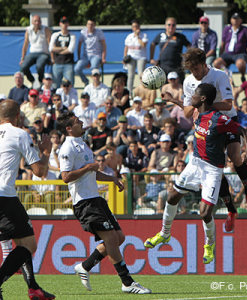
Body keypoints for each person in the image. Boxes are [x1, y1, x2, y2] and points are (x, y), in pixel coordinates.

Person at [144, 83, 247, 265]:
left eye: (194, 94)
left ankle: (209, 244)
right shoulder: (196, 112)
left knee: (205, 212)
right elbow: (184, 106)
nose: (191, 96)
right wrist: (172, 100)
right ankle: (164, 234)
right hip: (194, 163)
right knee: (172, 197)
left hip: (212, 169)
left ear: (202, 99)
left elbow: (244, 131)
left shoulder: (219, 119)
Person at [56, 111, 151, 294]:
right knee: (110, 239)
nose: (81, 122)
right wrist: (87, 168)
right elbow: (65, 177)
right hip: (84, 202)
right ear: (69, 128)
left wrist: (112, 178)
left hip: (96, 199)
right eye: (77, 121)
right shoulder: (67, 148)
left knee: (119, 237)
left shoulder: (82, 144)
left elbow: (92, 172)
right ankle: (127, 282)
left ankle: (85, 266)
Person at [162, 48, 247, 228]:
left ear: (204, 64)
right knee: (215, 167)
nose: (194, 74)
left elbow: (228, 103)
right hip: (206, 124)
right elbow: (189, 112)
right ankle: (231, 209)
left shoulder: (219, 76)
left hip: (226, 118)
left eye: (196, 69)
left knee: (235, 156)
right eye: (191, 70)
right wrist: (178, 102)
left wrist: (205, 104)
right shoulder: (189, 81)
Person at [0, 99, 55, 299]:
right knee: (29, 245)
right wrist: (46, 152)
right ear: (18, 116)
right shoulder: (20, 134)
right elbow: (39, 171)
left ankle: (33, 288)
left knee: (21, 240)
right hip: (4, 196)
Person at [150, 17, 190, 83]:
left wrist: (187, 59)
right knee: (164, 89)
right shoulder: (160, 36)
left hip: (177, 67)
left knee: (179, 88)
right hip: (163, 67)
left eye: (173, 25)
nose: (171, 27)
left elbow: (189, 46)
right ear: (165, 26)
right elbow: (152, 45)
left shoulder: (180, 37)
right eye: (169, 25)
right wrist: (151, 58)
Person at [213, 13, 247, 83]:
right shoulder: (227, 29)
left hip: (240, 53)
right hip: (227, 53)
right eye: (234, 19)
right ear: (231, 20)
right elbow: (223, 42)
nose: (235, 21)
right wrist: (220, 54)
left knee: (240, 64)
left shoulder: (245, 30)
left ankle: (242, 76)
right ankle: (227, 74)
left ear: (240, 20)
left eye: (237, 19)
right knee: (216, 63)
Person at [20, 15, 51, 87]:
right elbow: (26, 44)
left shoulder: (45, 29)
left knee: (39, 66)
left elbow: (50, 43)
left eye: (39, 21)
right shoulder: (28, 30)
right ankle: (32, 80)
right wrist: (22, 58)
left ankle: (41, 81)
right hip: (32, 52)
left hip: (43, 53)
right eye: (35, 21)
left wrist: (51, 56)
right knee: (23, 67)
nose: (37, 23)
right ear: (32, 22)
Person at [75, 19, 107, 86]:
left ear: (94, 25)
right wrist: (78, 57)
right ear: (86, 25)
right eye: (89, 24)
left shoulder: (99, 32)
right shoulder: (83, 32)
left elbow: (104, 45)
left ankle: (95, 84)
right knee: (77, 68)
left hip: (96, 55)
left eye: (92, 24)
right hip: (85, 56)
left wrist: (103, 57)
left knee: (94, 68)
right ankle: (85, 81)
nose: (90, 26)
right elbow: (79, 45)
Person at [49, 16, 76, 88]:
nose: (64, 25)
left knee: (69, 85)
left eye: (66, 23)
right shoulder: (55, 35)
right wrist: (63, 48)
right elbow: (51, 48)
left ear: (68, 24)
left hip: (68, 63)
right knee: (55, 86)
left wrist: (57, 50)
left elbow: (71, 49)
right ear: (60, 24)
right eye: (63, 23)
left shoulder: (72, 35)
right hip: (57, 63)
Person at [123, 19, 148, 94]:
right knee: (130, 75)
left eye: (136, 26)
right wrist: (124, 57)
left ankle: (142, 92)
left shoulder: (143, 35)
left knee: (141, 75)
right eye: (133, 26)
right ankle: (129, 93)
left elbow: (143, 45)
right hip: (131, 57)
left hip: (141, 57)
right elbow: (126, 47)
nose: (135, 28)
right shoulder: (129, 36)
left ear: (139, 27)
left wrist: (138, 37)